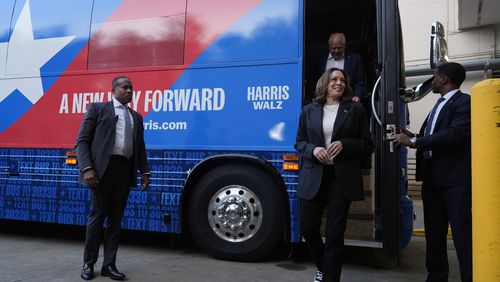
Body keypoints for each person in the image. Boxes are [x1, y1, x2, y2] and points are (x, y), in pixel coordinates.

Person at [392, 62, 472, 282]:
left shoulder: (464, 102)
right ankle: (436, 277)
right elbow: (434, 135)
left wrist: (414, 141)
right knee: (434, 235)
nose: (432, 81)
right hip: (432, 180)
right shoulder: (438, 105)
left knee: (462, 235)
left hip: (455, 181)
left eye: (435, 77)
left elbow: (454, 135)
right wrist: (411, 134)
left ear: (444, 79)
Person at [295, 68, 373, 282]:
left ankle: (330, 278)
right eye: (334, 79)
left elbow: (367, 145)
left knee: (334, 235)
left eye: (342, 80)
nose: (339, 83)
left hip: (341, 178)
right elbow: (299, 142)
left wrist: (345, 145)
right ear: (325, 83)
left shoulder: (355, 109)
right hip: (315, 177)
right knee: (308, 229)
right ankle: (322, 267)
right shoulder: (308, 111)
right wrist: (313, 149)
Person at [76, 76, 150, 281]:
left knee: (116, 221)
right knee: (97, 217)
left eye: (131, 88)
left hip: (124, 171)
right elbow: (82, 141)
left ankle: (109, 265)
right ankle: (88, 264)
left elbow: (140, 148)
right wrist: (87, 169)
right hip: (101, 172)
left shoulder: (137, 117)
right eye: (125, 87)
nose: (129, 91)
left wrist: (145, 172)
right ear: (114, 90)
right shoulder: (98, 109)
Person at [324, 33, 366, 103]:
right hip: (326, 101)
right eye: (333, 48)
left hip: (348, 101)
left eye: (339, 48)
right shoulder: (321, 60)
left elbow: (360, 81)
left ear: (344, 46)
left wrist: (357, 95)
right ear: (329, 47)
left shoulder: (355, 59)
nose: (336, 51)